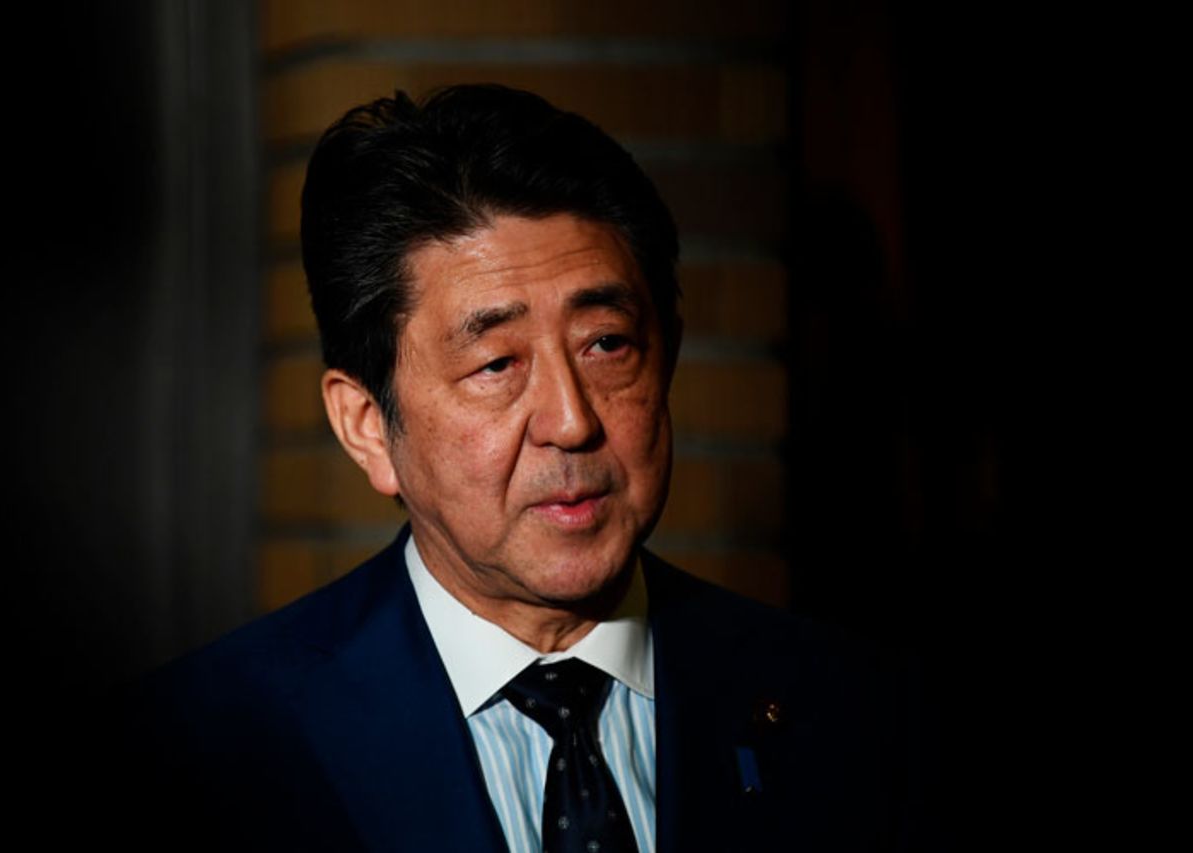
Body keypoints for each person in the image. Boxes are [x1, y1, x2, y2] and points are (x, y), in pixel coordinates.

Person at [116, 84, 925, 851]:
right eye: (496, 364)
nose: (572, 422)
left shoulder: (857, 714)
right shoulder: (201, 754)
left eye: (607, 344)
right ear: (367, 426)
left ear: (667, 355)